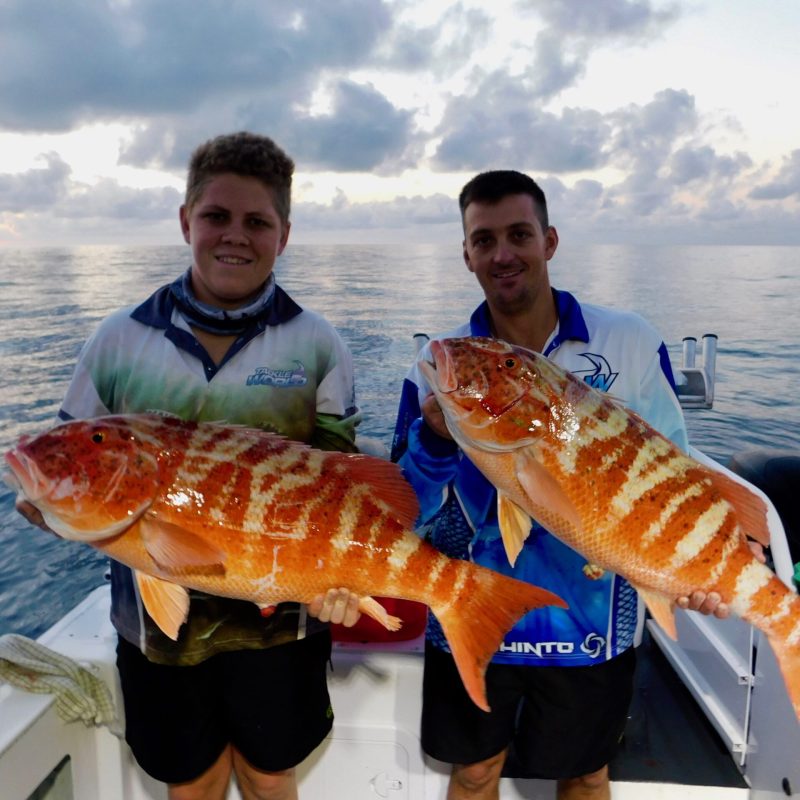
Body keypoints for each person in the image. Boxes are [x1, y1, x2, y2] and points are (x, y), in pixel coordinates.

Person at [16, 131, 362, 800]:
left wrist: (341, 575)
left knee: (270, 776)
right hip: (156, 637)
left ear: (283, 234)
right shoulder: (117, 339)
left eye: (256, 221)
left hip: (282, 625)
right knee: (190, 782)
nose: (235, 235)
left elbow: (338, 481)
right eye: (216, 217)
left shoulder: (318, 343)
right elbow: (73, 465)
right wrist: (51, 512)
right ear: (186, 221)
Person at [390, 170, 747, 800]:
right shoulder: (437, 366)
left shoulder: (628, 340)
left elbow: (675, 467)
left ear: (549, 241)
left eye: (519, 234)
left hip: (594, 618)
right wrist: (437, 439)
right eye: (484, 239)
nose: (503, 253)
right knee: (473, 773)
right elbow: (404, 508)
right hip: (475, 612)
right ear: (467, 254)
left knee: (585, 774)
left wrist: (690, 568)